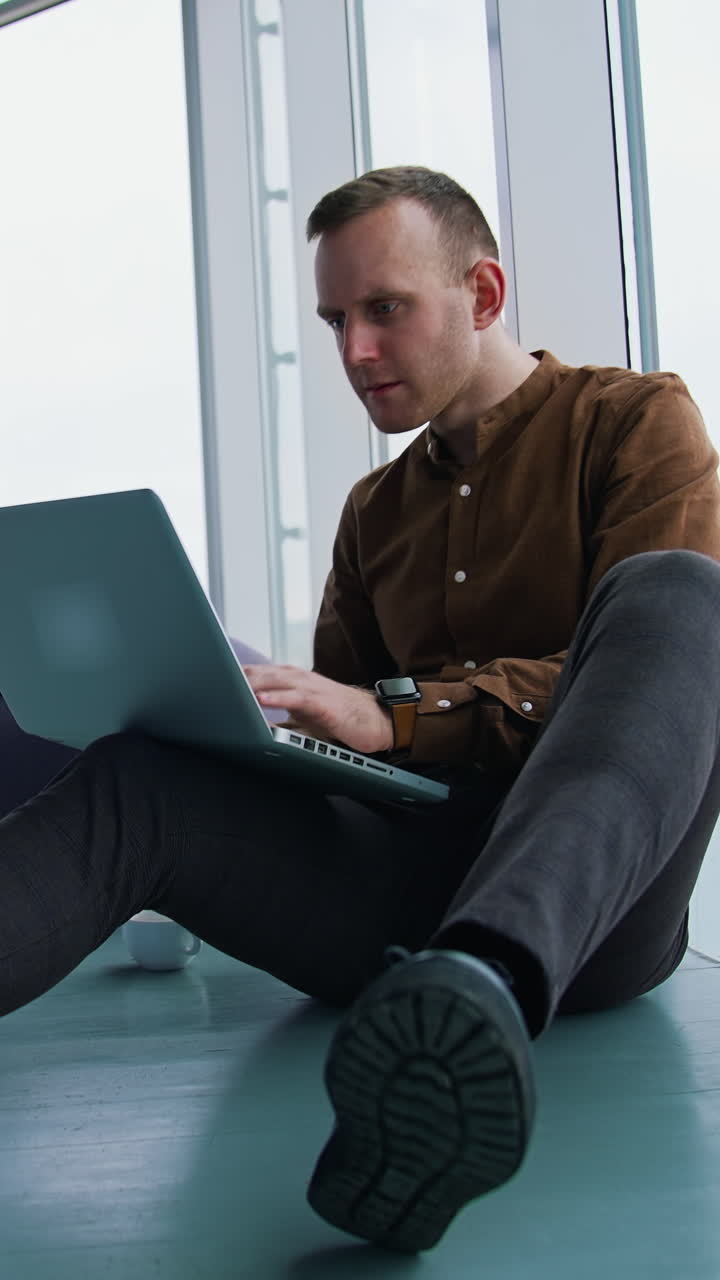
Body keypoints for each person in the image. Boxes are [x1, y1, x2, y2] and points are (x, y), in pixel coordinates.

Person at [2, 165, 720, 1254]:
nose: (354, 352)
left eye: (386, 309)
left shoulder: (633, 422)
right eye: (336, 318)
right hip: (402, 890)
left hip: (591, 912)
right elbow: (352, 751)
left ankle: (476, 993)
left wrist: (398, 710)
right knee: (139, 779)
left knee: (681, 592)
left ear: (482, 295)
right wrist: (260, 731)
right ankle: (434, 1017)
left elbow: (649, 678)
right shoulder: (372, 512)